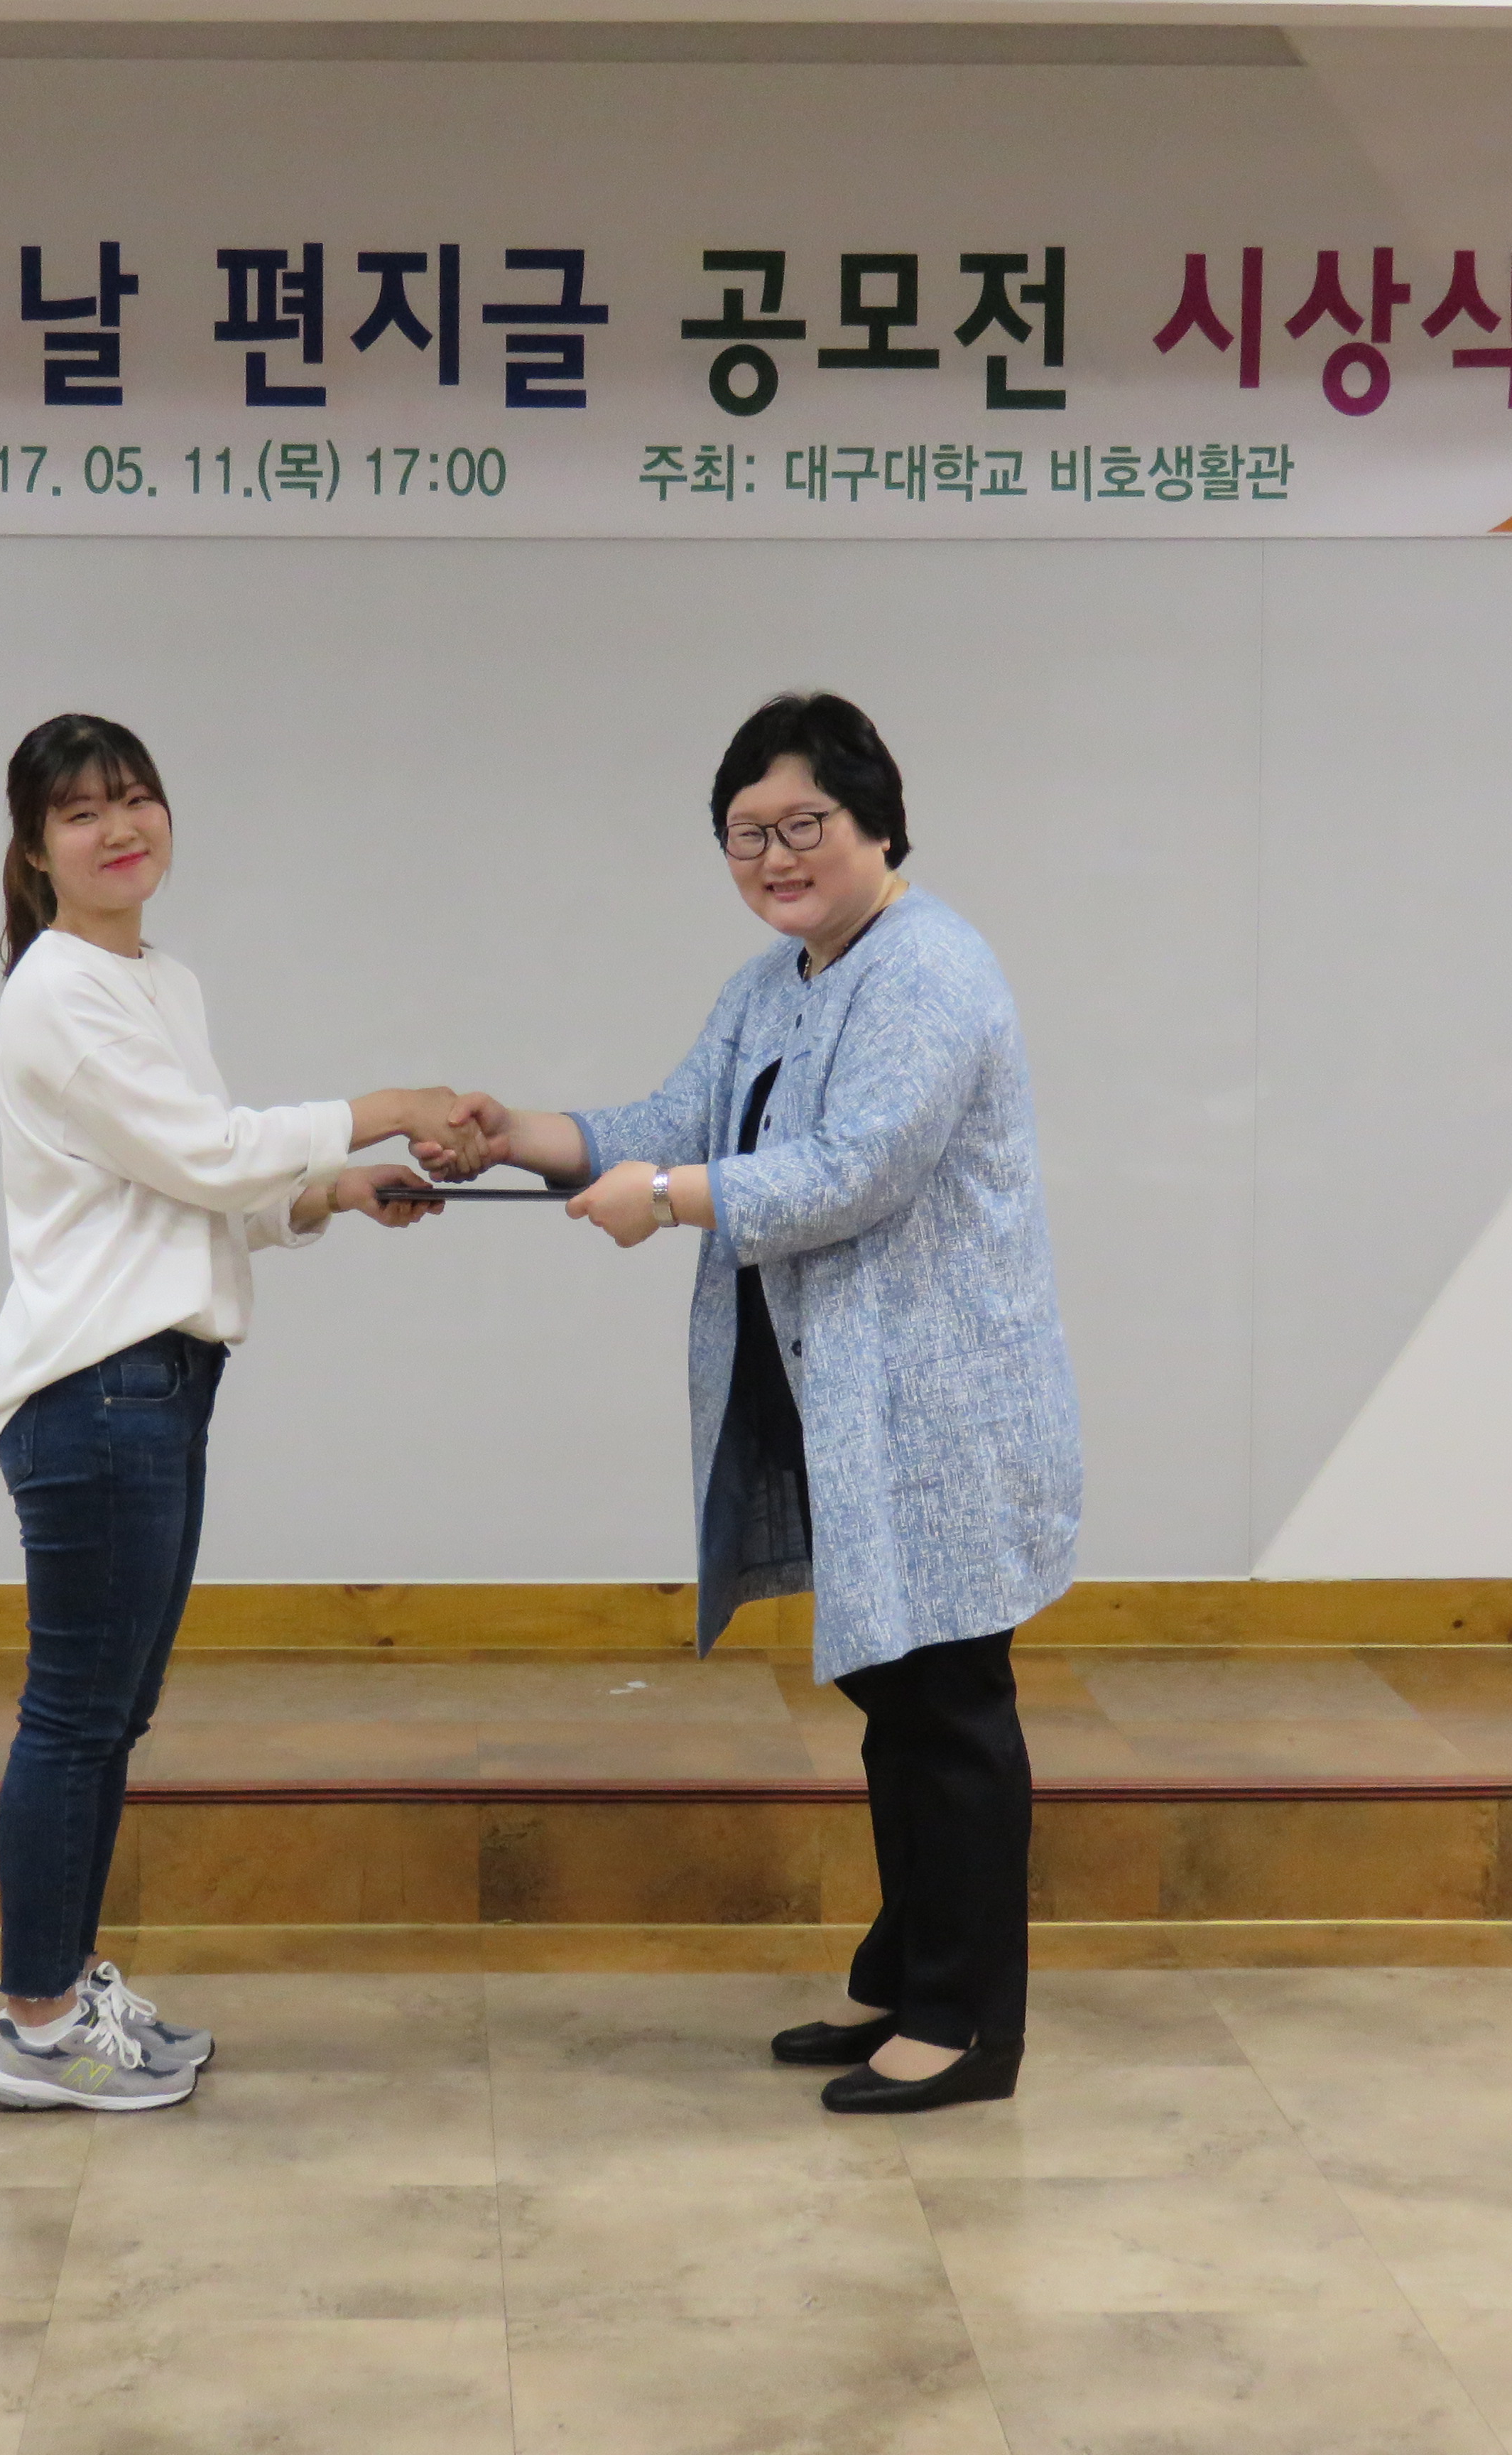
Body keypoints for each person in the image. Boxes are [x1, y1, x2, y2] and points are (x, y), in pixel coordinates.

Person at [429, 692, 1078, 2113]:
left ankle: (970, 2023)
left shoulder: (929, 967)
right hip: (847, 1401)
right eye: (747, 835)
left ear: (878, 821)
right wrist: (516, 1135)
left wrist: (667, 1200)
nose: (777, 858)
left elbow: (855, 1169)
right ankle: (910, 1974)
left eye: (804, 826)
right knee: (895, 1696)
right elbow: (676, 1123)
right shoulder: (776, 980)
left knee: (950, 1706)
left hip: (940, 1410)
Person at [0, 712, 458, 2111]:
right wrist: (383, 1108)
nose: (119, 828)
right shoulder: (57, 991)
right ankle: (35, 2023)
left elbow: (195, 1190)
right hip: (98, 1391)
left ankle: (64, 1984)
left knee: (110, 1717)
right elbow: (208, 1151)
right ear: (35, 849)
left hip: (153, 1385)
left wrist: (332, 1192)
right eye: (81, 813)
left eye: (137, 799)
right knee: (76, 1718)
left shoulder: (155, 980)